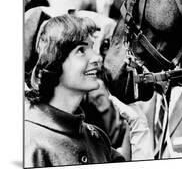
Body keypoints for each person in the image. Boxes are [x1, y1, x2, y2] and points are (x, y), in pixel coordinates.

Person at [24, 13, 125, 168]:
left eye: (92, 47)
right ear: (53, 63)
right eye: (81, 50)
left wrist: (139, 125)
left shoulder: (98, 139)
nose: (97, 58)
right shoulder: (28, 143)